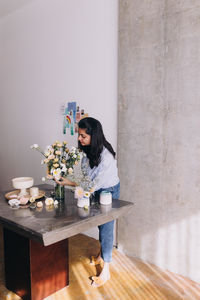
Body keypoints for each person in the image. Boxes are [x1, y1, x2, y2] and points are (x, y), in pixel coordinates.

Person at [56, 117, 120, 287]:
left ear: (94, 135)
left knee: (106, 228)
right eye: (79, 135)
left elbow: (91, 185)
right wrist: (69, 181)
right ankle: (101, 256)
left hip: (109, 191)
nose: (79, 139)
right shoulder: (88, 151)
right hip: (96, 188)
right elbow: (87, 179)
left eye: (83, 136)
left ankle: (106, 270)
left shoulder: (106, 157)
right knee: (100, 225)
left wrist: (70, 183)